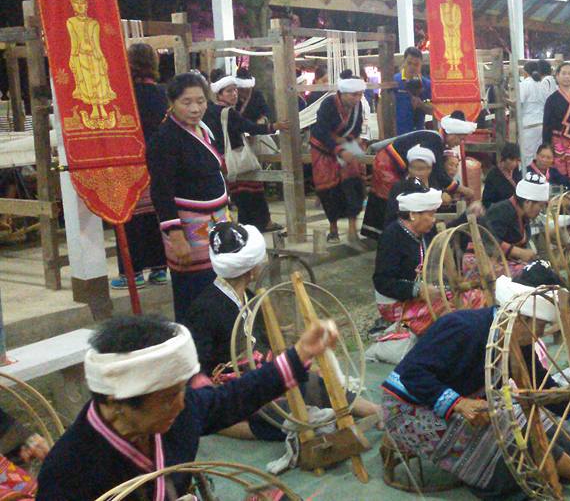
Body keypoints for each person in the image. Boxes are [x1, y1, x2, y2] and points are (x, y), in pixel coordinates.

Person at [381, 265, 570, 498]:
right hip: (409, 408)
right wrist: (459, 403)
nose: (540, 334)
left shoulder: (516, 341)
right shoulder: (464, 327)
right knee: (513, 441)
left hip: (458, 400)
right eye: (539, 326)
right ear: (521, 317)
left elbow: (542, 388)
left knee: (535, 419)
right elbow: (412, 374)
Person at [36, 313, 336, 500]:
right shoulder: (67, 469)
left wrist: (300, 353)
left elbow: (232, 398)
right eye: (168, 398)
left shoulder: (179, 411)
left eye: (182, 389)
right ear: (118, 403)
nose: (181, 403)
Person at [181, 222, 379, 440]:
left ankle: (372, 410)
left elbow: (263, 340)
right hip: (232, 388)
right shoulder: (205, 309)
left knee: (311, 382)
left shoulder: (249, 297)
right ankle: (228, 423)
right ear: (252, 269)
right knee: (283, 413)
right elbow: (196, 369)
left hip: (257, 374)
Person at [146, 73, 230, 322]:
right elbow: (161, 191)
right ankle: (194, 341)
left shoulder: (204, 130)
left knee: (219, 288)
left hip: (217, 222)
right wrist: (175, 235)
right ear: (172, 103)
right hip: (189, 230)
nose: (195, 108)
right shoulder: (165, 138)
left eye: (201, 101)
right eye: (187, 102)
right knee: (194, 291)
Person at [374, 179, 485, 336]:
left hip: (425, 293)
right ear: (413, 215)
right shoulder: (391, 236)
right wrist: (417, 290)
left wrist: (468, 215)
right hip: (398, 302)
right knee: (453, 313)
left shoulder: (424, 232)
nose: (434, 219)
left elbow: (445, 235)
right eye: (431, 214)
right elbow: (382, 281)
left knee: (476, 297)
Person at [362, 114, 477, 239]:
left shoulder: (435, 139)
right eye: (460, 139)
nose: (459, 143)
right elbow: (438, 174)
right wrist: (461, 190)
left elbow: (436, 174)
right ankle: (386, 237)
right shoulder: (435, 140)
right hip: (387, 165)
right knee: (390, 202)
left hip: (392, 165)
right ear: (452, 135)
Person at [111, 43, 168, 290]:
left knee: (129, 217)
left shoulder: (123, 94)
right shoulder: (162, 94)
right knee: (155, 214)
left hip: (129, 162)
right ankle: (159, 269)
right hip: (157, 163)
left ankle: (131, 273)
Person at [204, 71, 287, 232]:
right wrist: (273, 127)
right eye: (229, 91)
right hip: (236, 156)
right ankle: (260, 223)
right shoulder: (228, 112)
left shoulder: (210, 111)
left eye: (235, 90)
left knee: (240, 193)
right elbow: (249, 127)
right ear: (219, 94)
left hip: (222, 157)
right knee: (253, 190)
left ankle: (247, 225)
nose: (234, 94)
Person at [309, 71, 367, 243]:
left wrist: (351, 141)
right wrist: (338, 149)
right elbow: (321, 131)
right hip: (323, 148)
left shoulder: (358, 106)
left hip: (345, 146)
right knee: (329, 190)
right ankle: (333, 228)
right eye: (353, 95)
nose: (357, 98)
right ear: (342, 93)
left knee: (354, 184)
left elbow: (357, 128)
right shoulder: (328, 104)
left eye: (359, 94)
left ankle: (352, 227)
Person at [484, 172, 550, 275]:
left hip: (506, 260)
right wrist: (518, 252)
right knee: (532, 274)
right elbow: (488, 240)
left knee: (542, 270)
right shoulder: (501, 210)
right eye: (540, 206)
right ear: (528, 203)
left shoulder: (524, 216)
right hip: (484, 261)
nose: (541, 210)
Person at [383, 145, 438, 227]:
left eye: (422, 169)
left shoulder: (434, 187)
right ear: (409, 168)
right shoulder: (399, 188)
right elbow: (391, 216)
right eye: (415, 168)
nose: (418, 173)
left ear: (430, 169)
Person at [393, 47, 433, 135]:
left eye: (416, 64)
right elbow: (381, 106)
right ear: (404, 62)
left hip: (418, 133)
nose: (412, 67)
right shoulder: (394, 81)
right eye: (409, 63)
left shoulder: (427, 84)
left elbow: (435, 111)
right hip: (397, 134)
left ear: (421, 65)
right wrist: (382, 133)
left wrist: (422, 105)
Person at [518, 60, 550, 166]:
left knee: (527, 158)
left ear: (525, 72)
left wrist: (507, 101)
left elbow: (519, 103)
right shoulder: (542, 84)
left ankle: (528, 176)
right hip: (542, 125)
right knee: (539, 157)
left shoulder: (524, 84)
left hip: (529, 126)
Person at [482, 143, 522, 208]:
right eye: (511, 160)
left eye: (517, 160)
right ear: (504, 158)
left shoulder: (517, 172)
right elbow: (486, 202)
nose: (514, 163)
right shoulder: (493, 175)